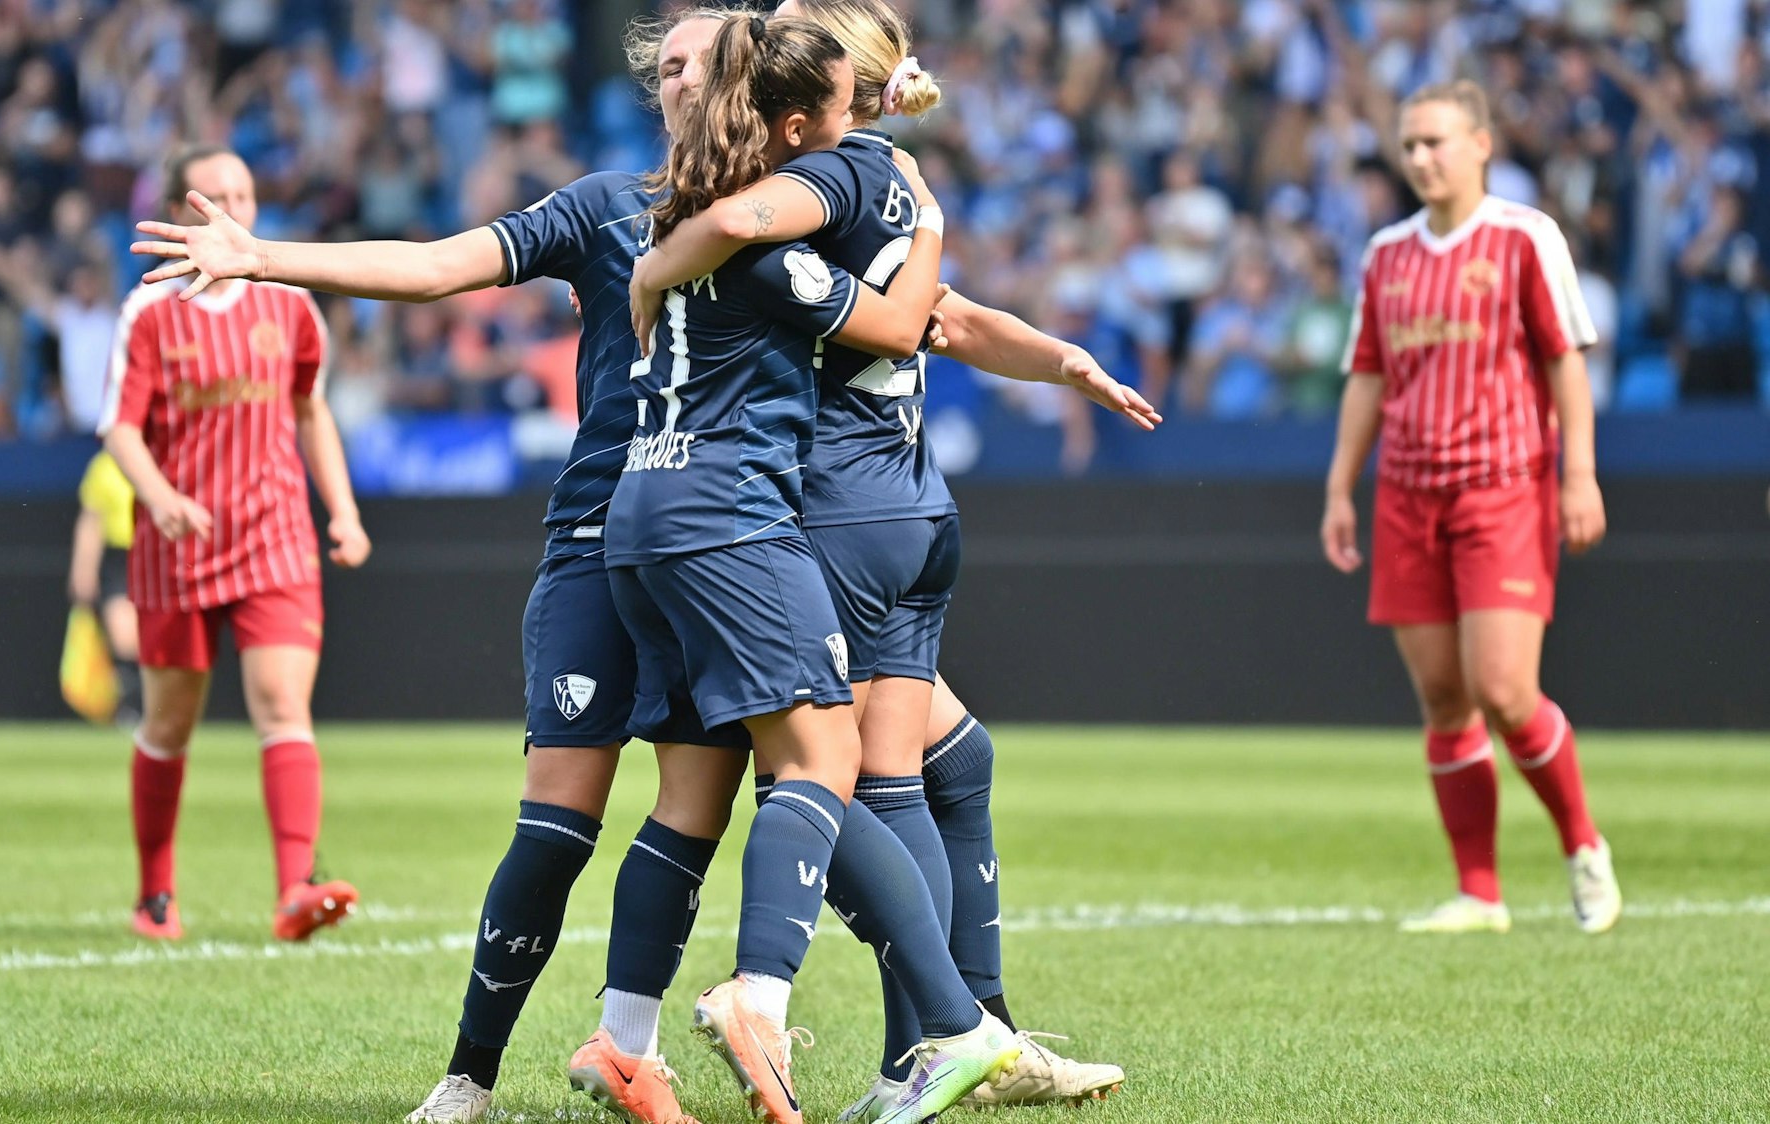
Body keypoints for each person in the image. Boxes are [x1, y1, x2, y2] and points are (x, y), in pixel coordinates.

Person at [133, 13, 749, 1123]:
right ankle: (466, 1077)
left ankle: (629, 1047)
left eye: (704, 61)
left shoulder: (802, 211)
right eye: (666, 64)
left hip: (720, 550)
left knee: (694, 811)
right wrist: (265, 257)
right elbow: (433, 266)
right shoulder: (604, 206)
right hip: (600, 539)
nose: (682, 79)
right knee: (556, 823)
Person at [621, 0, 1154, 1111]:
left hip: (837, 507)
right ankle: (959, 1039)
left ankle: (940, 1033)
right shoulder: (886, 176)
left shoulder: (819, 181)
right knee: (915, 770)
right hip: (895, 503)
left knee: (863, 774)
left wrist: (655, 262)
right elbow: (937, 314)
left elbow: (913, 312)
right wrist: (1056, 352)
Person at [598, 17, 1018, 1124]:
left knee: (693, 797)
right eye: (839, 114)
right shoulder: (775, 244)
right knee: (826, 766)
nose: (852, 132)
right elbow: (901, 322)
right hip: (733, 518)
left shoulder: (664, 210)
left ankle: (624, 1037)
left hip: (642, 514)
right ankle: (781, 1000)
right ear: (792, 125)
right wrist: (928, 220)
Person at [1322, 80, 1622, 936]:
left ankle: (1582, 845)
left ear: (1481, 144)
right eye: (1408, 145)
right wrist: (1340, 487)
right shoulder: (1386, 253)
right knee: (1443, 696)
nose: (1420, 158)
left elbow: (1564, 359)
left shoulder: (1525, 236)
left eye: (1435, 141)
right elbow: (1367, 375)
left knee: (1504, 689)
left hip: (1503, 487)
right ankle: (1479, 893)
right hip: (1406, 494)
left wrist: (1578, 474)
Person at [100, 144, 370, 945]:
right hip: (176, 544)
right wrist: (160, 498)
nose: (233, 209)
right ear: (180, 214)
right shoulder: (149, 311)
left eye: (244, 195)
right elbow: (119, 428)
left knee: (283, 705)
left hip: (273, 536)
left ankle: (295, 888)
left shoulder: (289, 304)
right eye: (213, 196)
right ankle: (155, 894)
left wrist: (344, 512)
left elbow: (311, 410)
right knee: (169, 724)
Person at [70, 449, 141, 728]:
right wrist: (83, 570)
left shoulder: (165, 454)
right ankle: (131, 709)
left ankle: (156, 707)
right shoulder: (104, 466)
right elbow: (90, 522)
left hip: (158, 555)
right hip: (120, 557)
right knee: (124, 636)